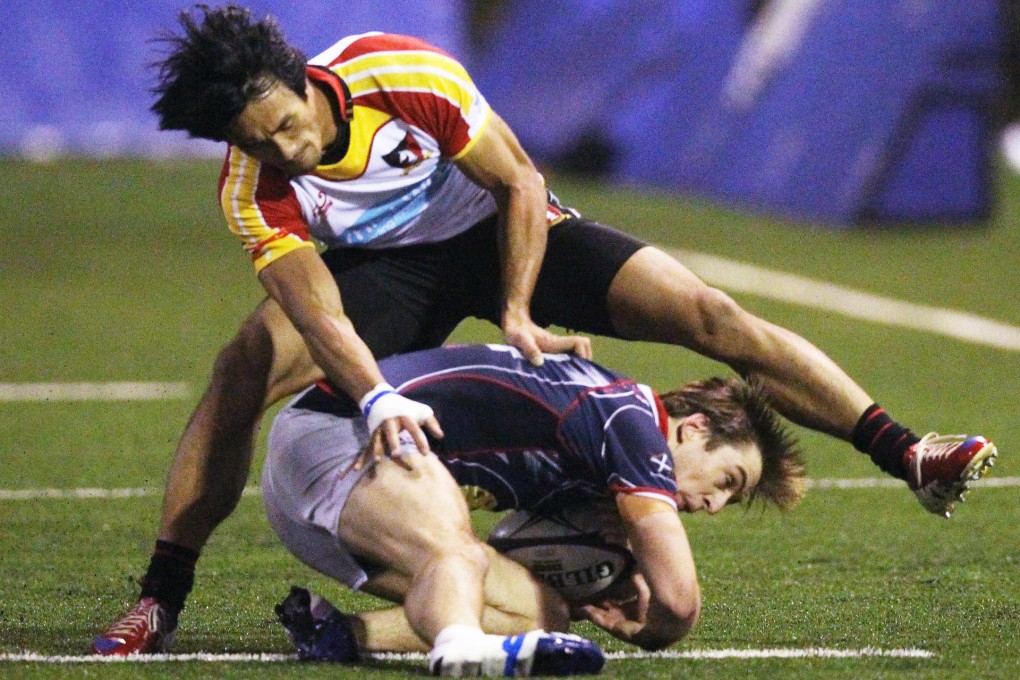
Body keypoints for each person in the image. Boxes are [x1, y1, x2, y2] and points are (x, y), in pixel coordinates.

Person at [92, 5, 998, 655]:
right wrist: (372, 397)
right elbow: (315, 307)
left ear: (303, 83)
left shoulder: (399, 74)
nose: (285, 151)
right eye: (259, 143)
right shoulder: (250, 188)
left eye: (288, 127)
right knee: (243, 368)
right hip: (388, 268)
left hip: (501, 227)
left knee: (709, 313)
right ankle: (160, 597)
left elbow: (518, 181)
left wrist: (518, 309)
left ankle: (906, 452)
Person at [259, 344, 806, 674]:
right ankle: (460, 650)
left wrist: (619, 573)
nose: (715, 506)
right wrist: (653, 630)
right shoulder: (631, 423)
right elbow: (679, 602)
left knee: (540, 614)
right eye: (727, 481)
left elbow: (536, 542)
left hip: (317, 513)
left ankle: (337, 633)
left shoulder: (608, 447)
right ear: (695, 428)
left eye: (731, 500)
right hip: (340, 436)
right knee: (458, 552)